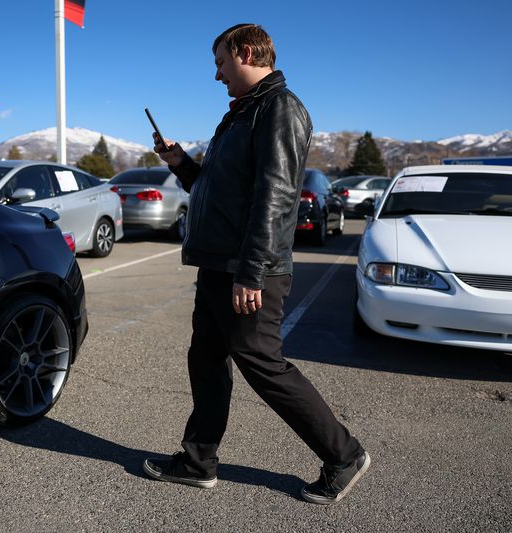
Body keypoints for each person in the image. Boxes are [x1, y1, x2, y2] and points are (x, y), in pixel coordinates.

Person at [142, 23, 369, 505]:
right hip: (218, 265)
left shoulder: (279, 109)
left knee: (262, 363)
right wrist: (182, 164)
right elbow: (218, 190)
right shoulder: (241, 114)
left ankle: (344, 454)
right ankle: (198, 461)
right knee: (206, 360)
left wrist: (252, 272)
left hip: (247, 268)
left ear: (246, 53)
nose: (217, 75)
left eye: (221, 62)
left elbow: (276, 195)